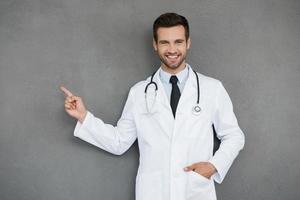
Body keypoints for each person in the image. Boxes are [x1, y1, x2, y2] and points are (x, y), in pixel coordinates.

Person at [60, 13, 245, 200]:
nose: (172, 49)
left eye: (178, 42)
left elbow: (234, 135)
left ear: (188, 43)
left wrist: (213, 166)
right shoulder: (139, 93)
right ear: (155, 45)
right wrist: (83, 116)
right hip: (154, 192)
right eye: (165, 42)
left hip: (195, 191)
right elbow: (119, 142)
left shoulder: (212, 88)